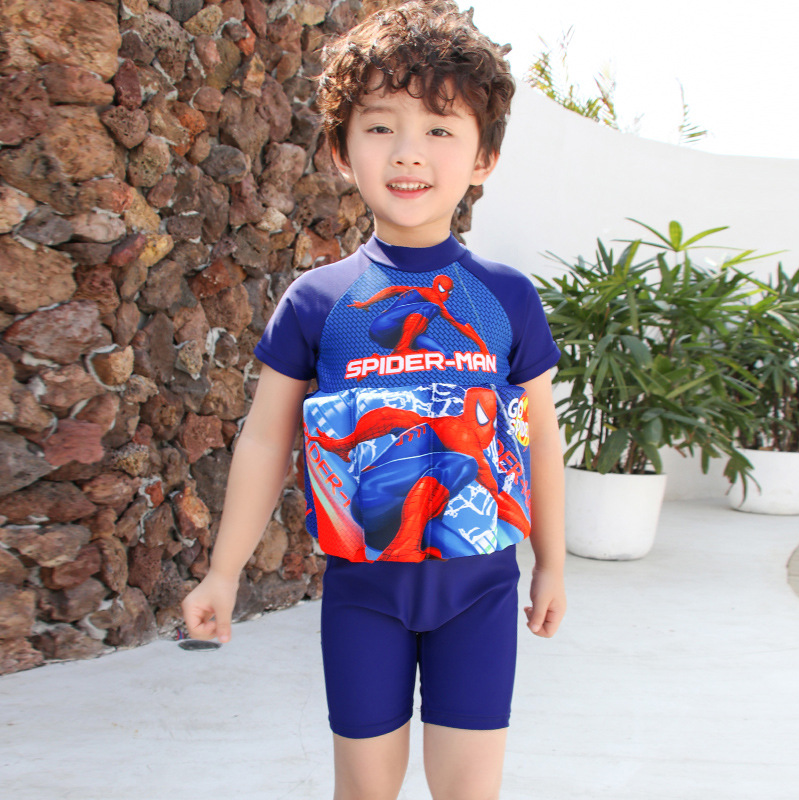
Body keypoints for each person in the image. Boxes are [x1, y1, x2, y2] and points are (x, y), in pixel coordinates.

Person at [181, 2, 566, 797]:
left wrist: (552, 563)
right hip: (362, 596)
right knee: (362, 791)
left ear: (484, 157)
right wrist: (223, 572)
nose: (408, 152)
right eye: (381, 126)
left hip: (482, 591)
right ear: (341, 150)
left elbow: (540, 436)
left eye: (440, 129)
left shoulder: (507, 299)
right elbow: (265, 441)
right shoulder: (318, 302)